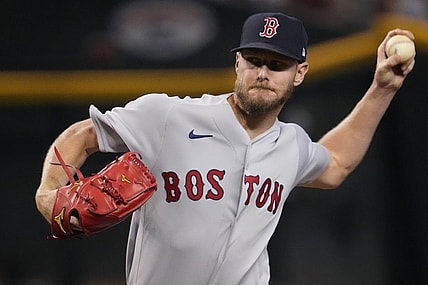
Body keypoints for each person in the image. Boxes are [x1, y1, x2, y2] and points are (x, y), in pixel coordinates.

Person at [35, 12, 415, 285]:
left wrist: (383, 89)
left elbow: (336, 164)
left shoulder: (291, 145)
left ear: (299, 73)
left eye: (277, 64)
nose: (262, 72)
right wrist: (48, 192)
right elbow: (82, 135)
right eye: (254, 60)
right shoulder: (170, 115)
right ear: (237, 62)